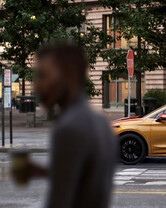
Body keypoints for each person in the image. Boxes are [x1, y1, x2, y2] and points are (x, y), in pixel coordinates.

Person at [14, 41, 117, 208]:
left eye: (43, 76)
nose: (36, 86)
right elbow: (87, 179)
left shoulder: (68, 127)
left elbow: (59, 202)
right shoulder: (100, 121)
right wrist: (50, 172)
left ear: (67, 75)